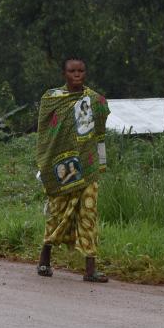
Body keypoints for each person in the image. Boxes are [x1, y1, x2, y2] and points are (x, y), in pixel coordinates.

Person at [37, 58, 109, 282]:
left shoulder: (95, 100)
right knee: (56, 213)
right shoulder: (52, 99)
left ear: (85, 73)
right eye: (72, 71)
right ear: (64, 74)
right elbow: (46, 133)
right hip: (62, 169)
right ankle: (44, 260)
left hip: (87, 167)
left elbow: (100, 131)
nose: (77, 74)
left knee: (89, 214)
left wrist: (101, 160)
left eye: (81, 70)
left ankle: (90, 270)